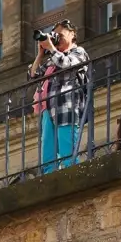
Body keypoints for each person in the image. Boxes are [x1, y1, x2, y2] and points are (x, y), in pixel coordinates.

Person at [31, 20, 89, 174]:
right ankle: (50, 181)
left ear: (72, 34)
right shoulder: (53, 59)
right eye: (55, 35)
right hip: (48, 110)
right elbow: (33, 75)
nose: (57, 38)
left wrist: (51, 47)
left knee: (67, 153)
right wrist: (40, 54)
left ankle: (72, 178)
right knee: (48, 157)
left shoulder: (79, 52)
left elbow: (68, 64)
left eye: (60, 35)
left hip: (66, 108)